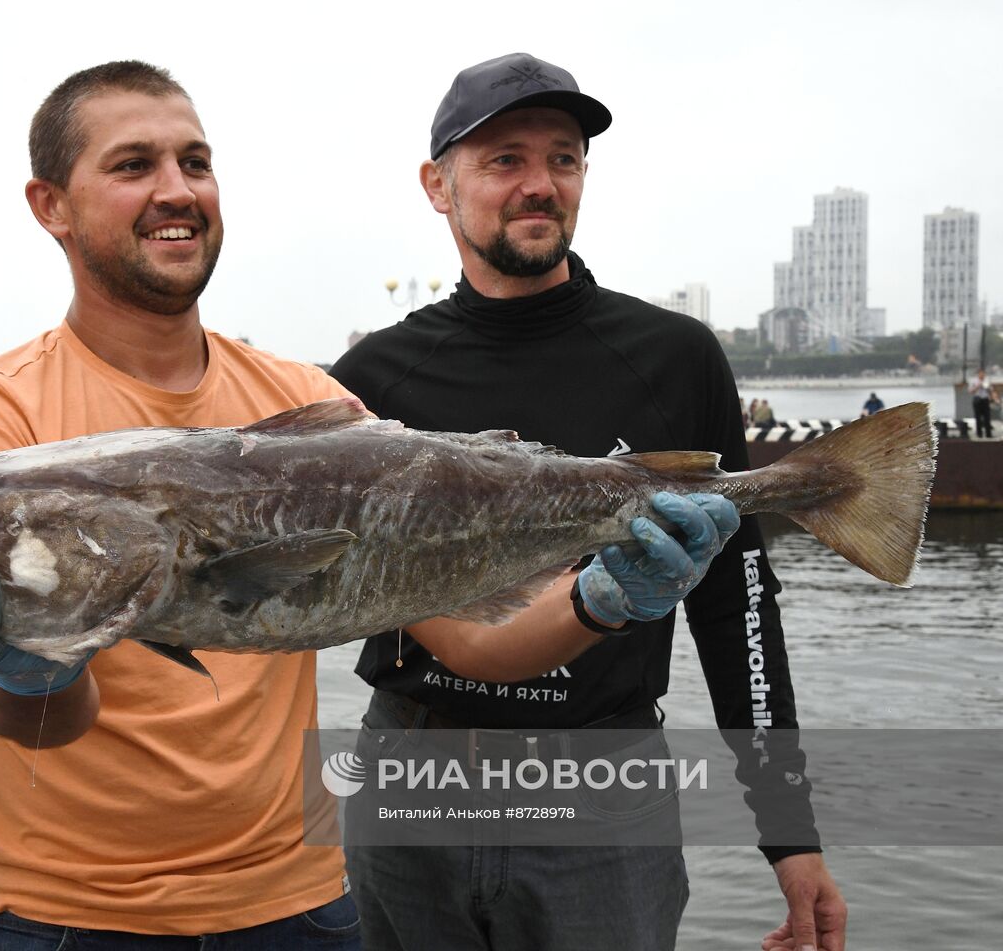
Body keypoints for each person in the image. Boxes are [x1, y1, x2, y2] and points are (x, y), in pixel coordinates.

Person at [0, 60, 733, 948]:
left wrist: (603, 603)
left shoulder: (314, 407)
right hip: (66, 917)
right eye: (131, 165)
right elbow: (6, 709)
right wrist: (26, 672)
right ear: (51, 205)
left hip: (299, 906)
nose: (176, 190)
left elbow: (467, 637)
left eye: (195, 161)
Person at [330, 53, 846, 951]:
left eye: (562, 159)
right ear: (437, 185)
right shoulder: (371, 382)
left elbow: (740, 610)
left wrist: (789, 833)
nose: (539, 185)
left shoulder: (675, 358)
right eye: (505, 160)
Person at [969, 369, 996, 438]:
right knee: (978, 417)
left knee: (987, 417)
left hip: (985, 400)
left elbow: (991, 390)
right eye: (981, 374)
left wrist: (992, 395)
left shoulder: (987, 381)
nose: (982, 375)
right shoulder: (974, 381)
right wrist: (978, 386)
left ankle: (988, 434)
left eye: (983, 374)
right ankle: (979, 433)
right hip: (977, 399)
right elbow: (970, 391)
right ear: (978, 374)